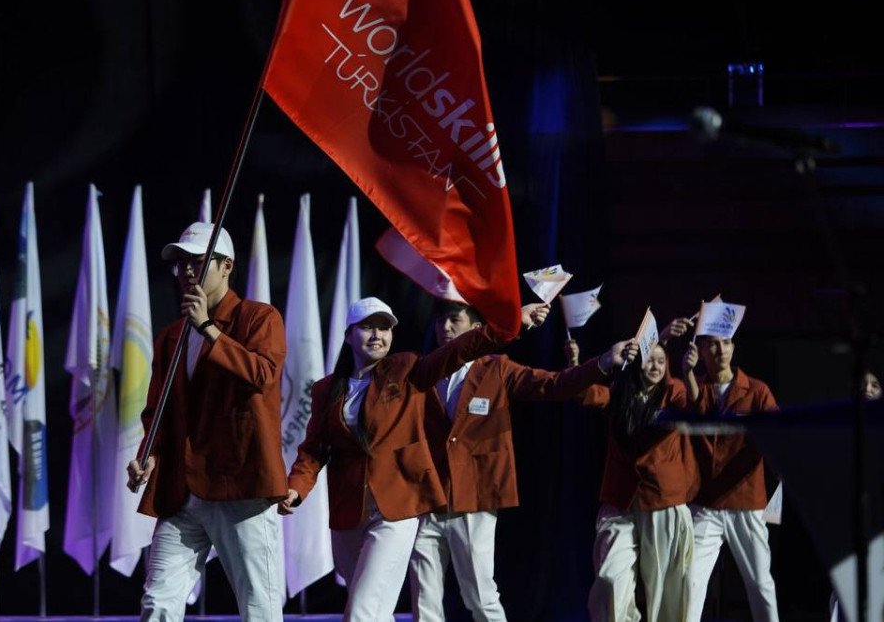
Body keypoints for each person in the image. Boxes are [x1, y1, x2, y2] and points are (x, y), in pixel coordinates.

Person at [279, 296, 522, 621]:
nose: (377, 335)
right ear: (349, 335)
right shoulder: (327, 389)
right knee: (371, 611)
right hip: (348, 512)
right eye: (367, 327)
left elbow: (457, 351)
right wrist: (296, 487)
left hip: (395, 511)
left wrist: (508, 324)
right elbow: (314, 448)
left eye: (384, 328)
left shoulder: (406, 369)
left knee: (362, 611)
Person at [409, 299, 635, 622]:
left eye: (454, 320)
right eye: (440, 320)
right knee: (424, 599)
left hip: (473, 498)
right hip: (427, 498)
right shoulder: (424, 370)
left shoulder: (496, 369)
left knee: (479, 595)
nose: (444, 327)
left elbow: (554, 385)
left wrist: (603, 362)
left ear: (477, 328)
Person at [126, 222, 287, 622]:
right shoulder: (170, 336)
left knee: (260, 606)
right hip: (182, 489)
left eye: (197, 262)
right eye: (180, 263)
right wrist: (148, 455)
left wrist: (209, 329)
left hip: (240, 485)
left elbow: (263, 375)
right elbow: (158, 410)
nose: (186, 271)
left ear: (226, 266)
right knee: (158, 601)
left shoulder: (259, 317)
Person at [567, 338, 698, 622]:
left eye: (661, 362)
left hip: (662, 500)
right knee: (610, 578)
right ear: (637, 363)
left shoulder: (673, 391)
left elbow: (694, 407)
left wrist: (688, 372)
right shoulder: (620, 392)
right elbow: (585, 393)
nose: (656, 367)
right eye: (650, 360)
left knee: (666, 592)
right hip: (621, 501)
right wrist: (575, 363)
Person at [681, 334, 780, 622]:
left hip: (746, 501)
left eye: (726, 342)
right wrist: (687, 373)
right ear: (701, 350)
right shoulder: (695, 389)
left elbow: (779, 435)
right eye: (713, 343)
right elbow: (691, 410)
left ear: (734, 347)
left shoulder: (757, 390)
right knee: (690, 581)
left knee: (760, 583)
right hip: (706, 504)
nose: (721, 349)